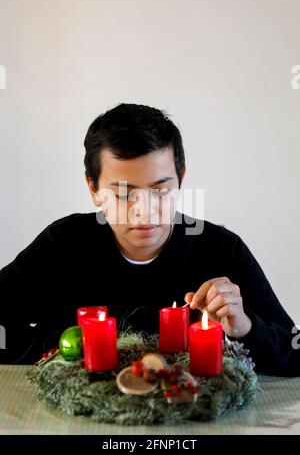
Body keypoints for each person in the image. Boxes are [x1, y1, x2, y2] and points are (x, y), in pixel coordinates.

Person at [0, 103, 299, 376]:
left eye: (160, 190)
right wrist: (56, 345)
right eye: (123, 194)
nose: (145, 212)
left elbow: (295, 352)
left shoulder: (221, 249)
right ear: (93, 188)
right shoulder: (63, 244)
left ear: (180, 177)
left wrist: (246, 328)